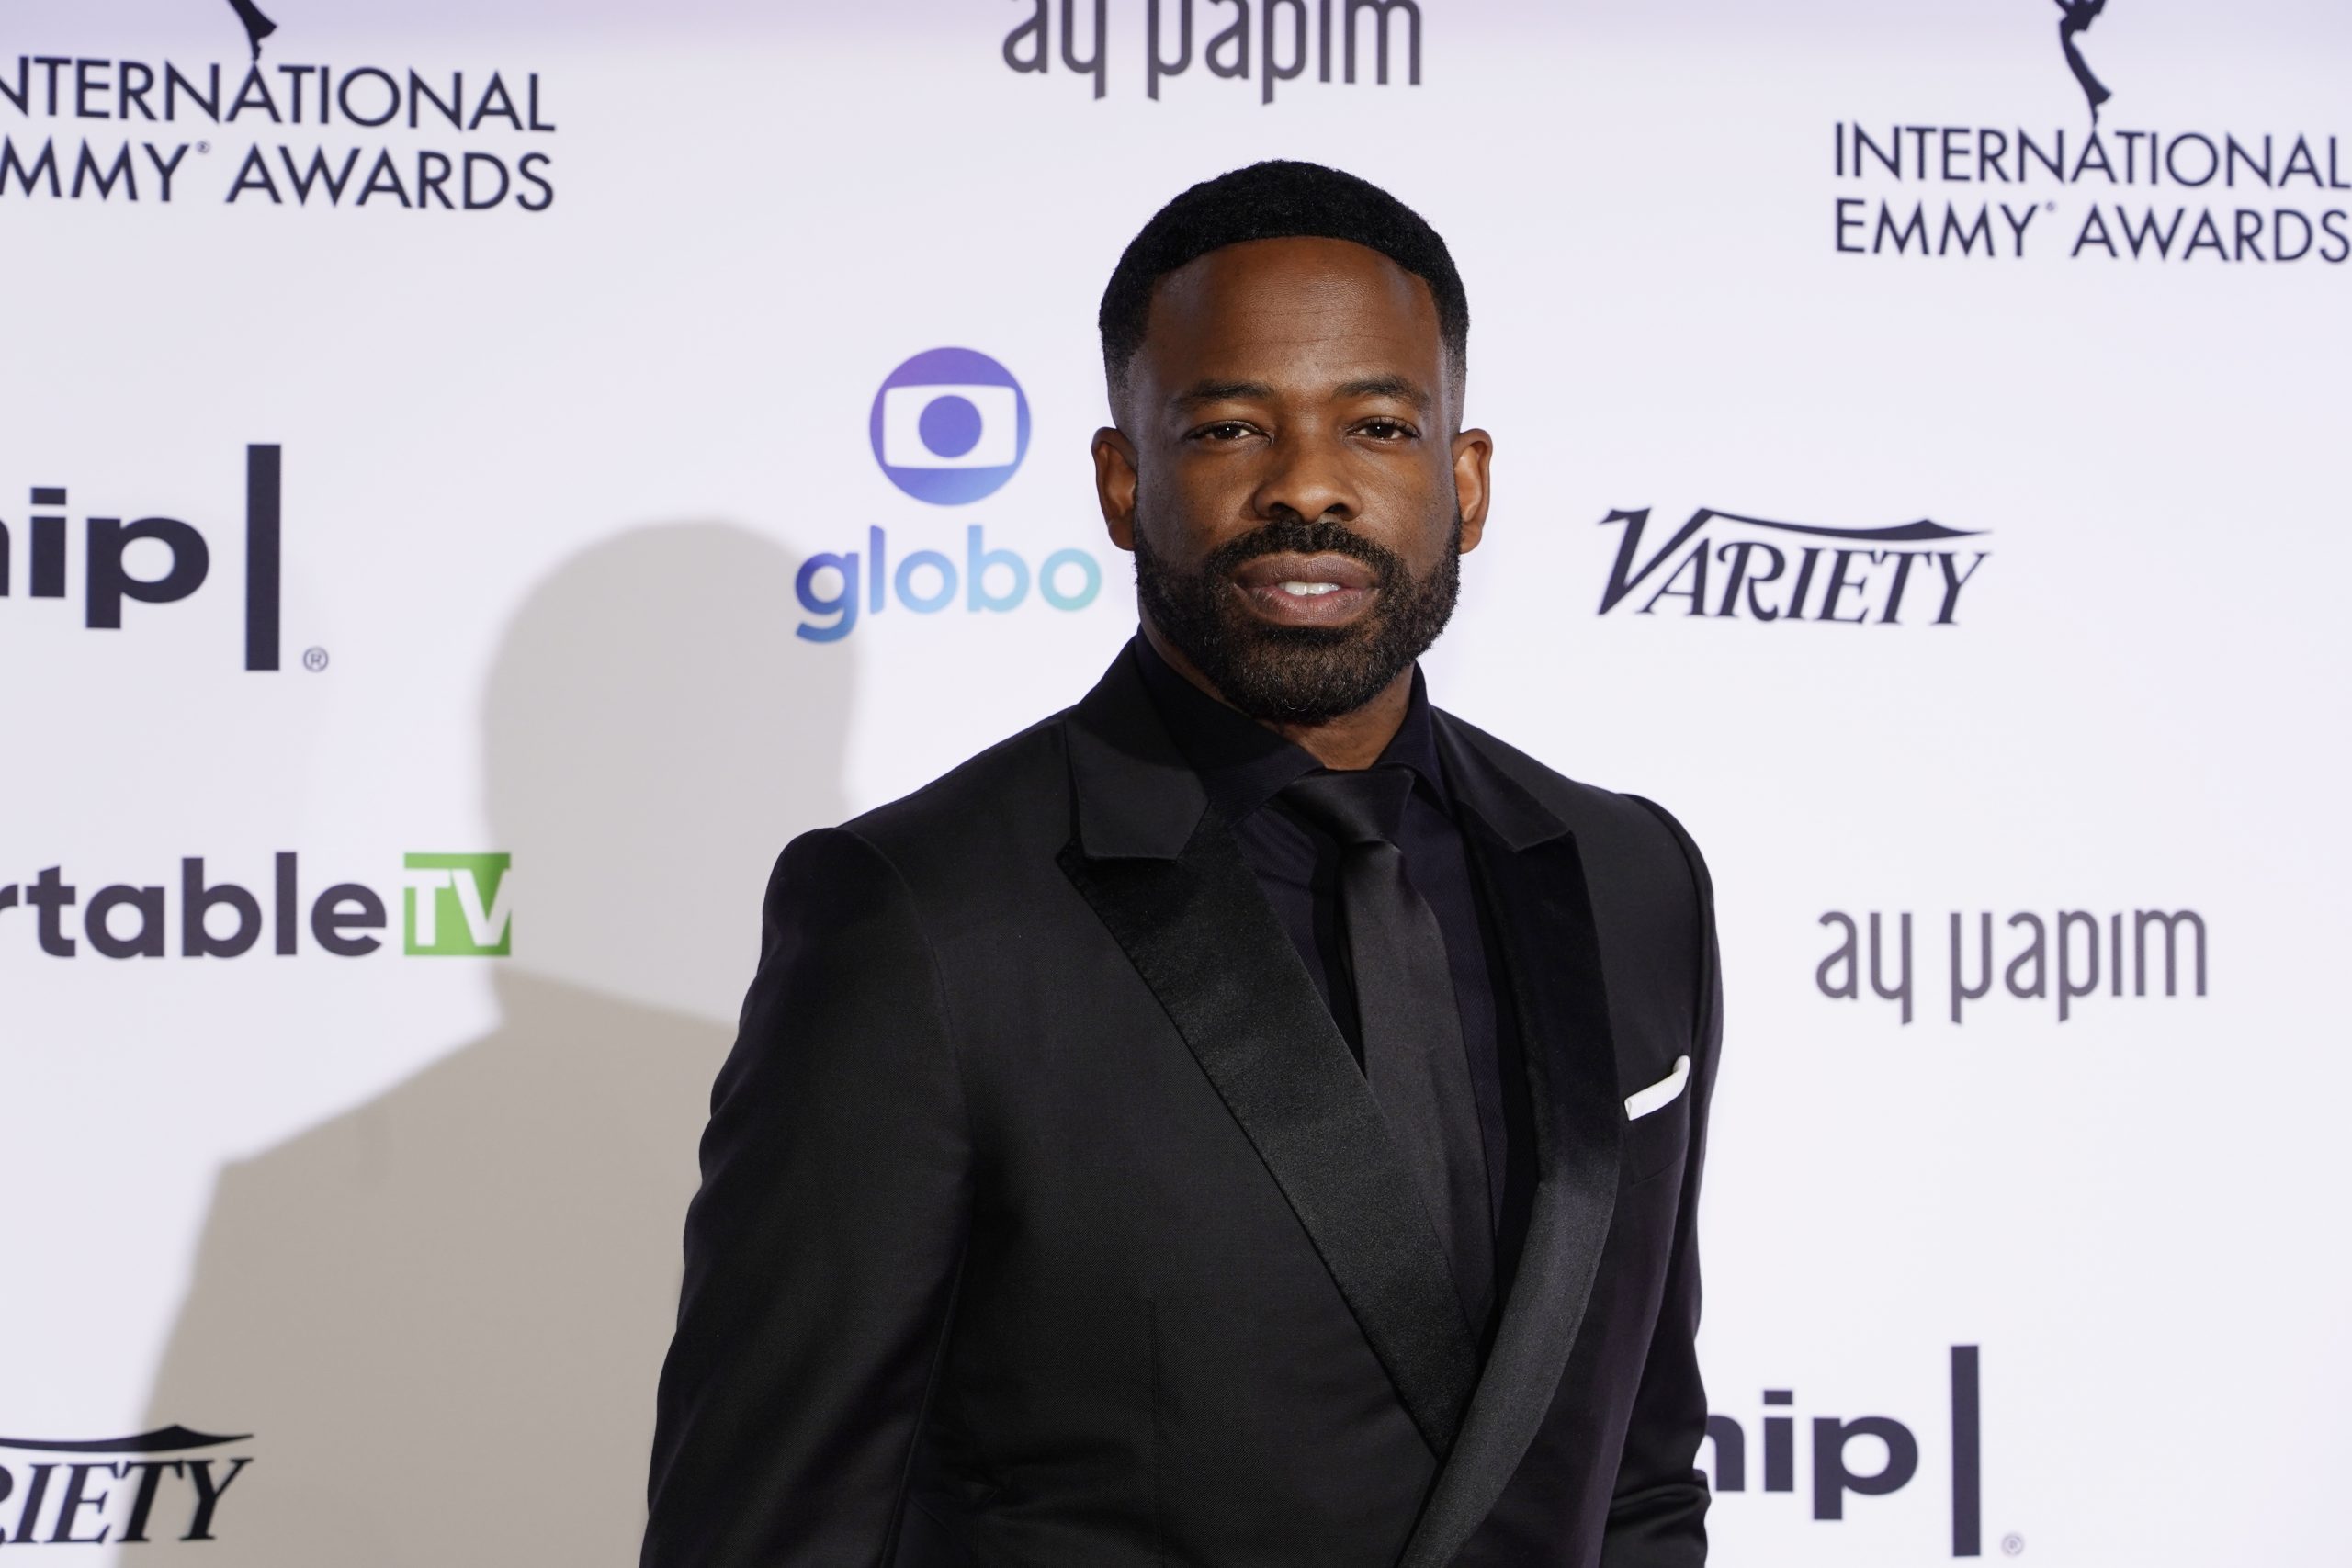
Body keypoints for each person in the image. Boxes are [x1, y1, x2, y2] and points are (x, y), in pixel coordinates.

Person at [641, 159, 1723, 1568]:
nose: (1310, 490)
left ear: (1464, 481)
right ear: (1120, 477)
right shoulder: (923, 917)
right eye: (1228, 429)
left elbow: (1635, 1474)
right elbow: (768, 1533)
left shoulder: (1629, 877)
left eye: (1380, 427)